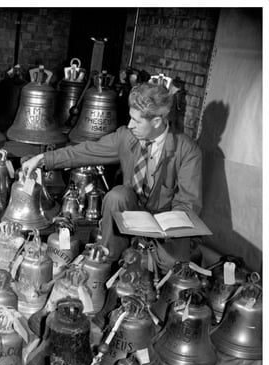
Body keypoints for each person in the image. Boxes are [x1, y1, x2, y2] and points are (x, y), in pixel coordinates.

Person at [21, 82, 202, 272]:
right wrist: (43, 159)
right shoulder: (126, 137)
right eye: (130, 118)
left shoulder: (187, 151)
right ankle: (109, 259)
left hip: (165, 225)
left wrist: (162, 230)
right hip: (131, 212)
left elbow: (188, 204)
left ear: (157, 121)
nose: (130, 125)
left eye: (137, 121)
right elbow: (85, 151)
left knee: (173, 270)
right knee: (118, 196)